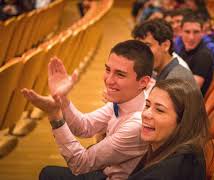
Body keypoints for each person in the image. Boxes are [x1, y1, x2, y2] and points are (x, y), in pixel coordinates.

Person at [21, 40, 154, 180]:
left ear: (143, 82)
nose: (109, 80)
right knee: (48, 173)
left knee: (48, 174)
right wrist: (61, 98)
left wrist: (55, 116)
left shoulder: (137, 124)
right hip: (104, 170)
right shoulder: (127, 98)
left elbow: (80, 164)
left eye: (120, 74)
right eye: (108, 70)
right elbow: (84, 127)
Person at [128, 79, 209, 180]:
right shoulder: (176, 150)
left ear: (183, 121)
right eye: (147, 105)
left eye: (159, 110)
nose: (145, 114)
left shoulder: (165, 172)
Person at [132, 18, 196, 86]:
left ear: (166, 45)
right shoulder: (159, 68)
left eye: (147, 46)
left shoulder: (176, 79)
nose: (141, 53)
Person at [176, 14, 214, 95]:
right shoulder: (183, 49)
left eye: (196, 32)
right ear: (180, 31)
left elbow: (190, 91)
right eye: (187, 32)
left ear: (203, 32)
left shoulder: (203, 56)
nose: (191, 37)